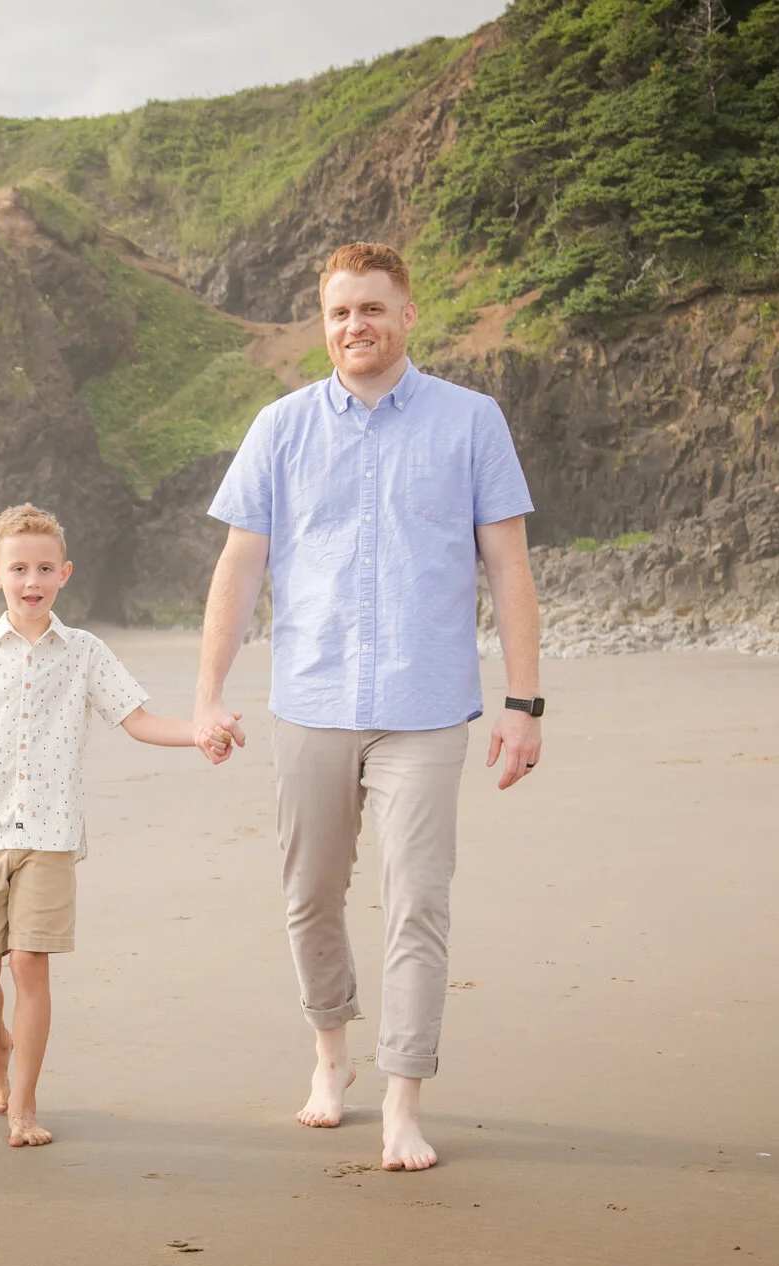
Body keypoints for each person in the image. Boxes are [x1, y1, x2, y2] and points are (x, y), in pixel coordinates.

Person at [191, 242, 544, 1172]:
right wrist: (208, 694)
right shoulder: (281, 426)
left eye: (374, 308)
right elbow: (240, 564)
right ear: (324, 321)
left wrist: (523, 701)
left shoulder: (472, 422)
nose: (357, 325)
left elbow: (508, 564)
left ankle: (402, 1098)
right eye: (342, 311)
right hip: (309, 701)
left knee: (418, 901)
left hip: (426, 708)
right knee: (310, 897)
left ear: (408, 314)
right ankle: (330, 1055)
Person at [0, 504, 206, 1147]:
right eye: (18, 568)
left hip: (50, 835)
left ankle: (23, 1107)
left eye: (44, 568)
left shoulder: (85, 652)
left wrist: (201, 734)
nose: (32, 579)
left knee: (29, 963)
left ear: (65, 574)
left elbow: (138, 721)